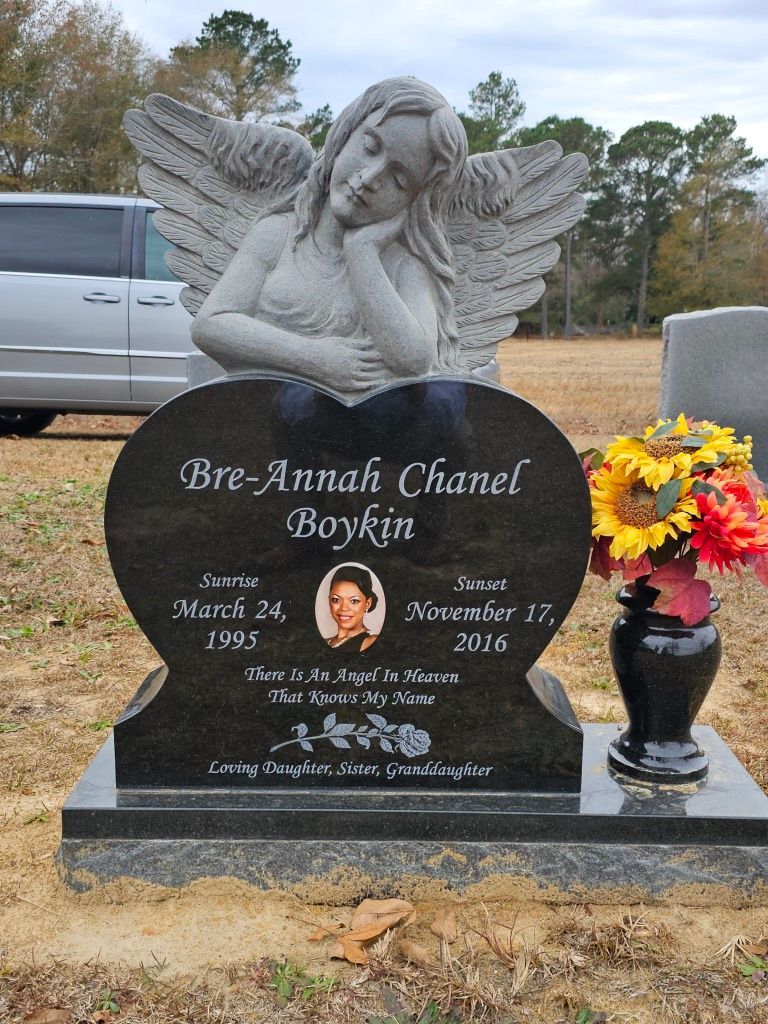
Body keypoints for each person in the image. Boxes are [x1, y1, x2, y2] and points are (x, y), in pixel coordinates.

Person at [192, 78, 468, 393]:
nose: (370, 178)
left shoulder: (403, 268)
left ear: (414, 202)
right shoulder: (279, 234)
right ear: (343, 135)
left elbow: (415, 359)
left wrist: (362, 251)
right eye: (370, 147)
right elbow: (211, 324)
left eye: (400, 180)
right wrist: (317, 359)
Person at [324, 565, 380, 652]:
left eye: (354, 601)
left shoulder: (370, 641)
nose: (344, 608)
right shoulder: (327, 641)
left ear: (368, 603)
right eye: (336, 599)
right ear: (329, 601)